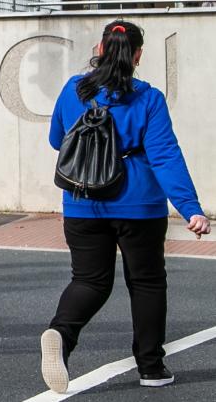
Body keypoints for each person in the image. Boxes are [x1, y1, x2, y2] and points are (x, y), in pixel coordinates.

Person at [39, 20, 209, 393]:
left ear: (99, 50)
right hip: (139, 205)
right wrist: (190, 207)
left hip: (83, 202)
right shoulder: (148, 98)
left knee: (89, 280)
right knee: (147, 282)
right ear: (137, 56)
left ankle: (61, 333)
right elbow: (165, 156)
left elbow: (56, 141)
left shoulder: (73, 90)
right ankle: (151, 367)